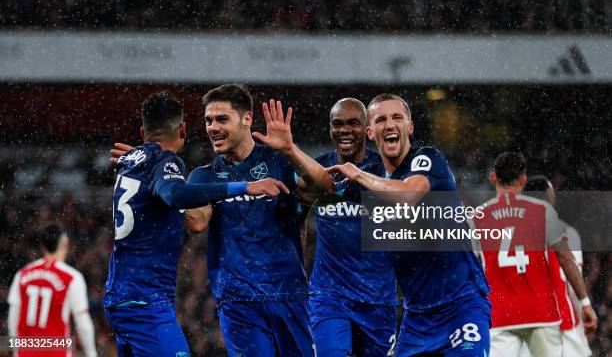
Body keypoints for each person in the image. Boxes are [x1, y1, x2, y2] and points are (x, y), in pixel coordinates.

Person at [256, 94, 491, 356]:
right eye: (381, 119)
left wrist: (358, 174)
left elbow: (407, 195)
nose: (389, 125)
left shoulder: (427, 159)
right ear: (371, 131)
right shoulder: (370, 180)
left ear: (409, 127)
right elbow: (322, 185)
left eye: (397, 118)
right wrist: (290, 150)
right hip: (416, 317)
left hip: (460, 305)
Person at [104, 91, 288, 357]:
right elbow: (174, 194)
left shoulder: (132, 163)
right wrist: (245, 186)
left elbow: (195, 221)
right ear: (182, 129)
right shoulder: (166, 162)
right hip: (146, 299)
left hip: (120, 297)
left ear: (142, 130)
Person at [186, 84, 314, 356]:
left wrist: (291, 150)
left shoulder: (280, 162)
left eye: (222, 119)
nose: (212, 127)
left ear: (246, 119)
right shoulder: (204, 176)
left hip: (288, 293)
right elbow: (196, 221)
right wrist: (165, 185)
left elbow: (321, 188)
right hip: (238, 300)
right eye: (208, 120)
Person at [474, 153, 597, 356]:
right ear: (523, 180)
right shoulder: (543, 211)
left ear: (493, 177)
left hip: (500, 313)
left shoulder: (477, 217)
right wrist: (585, 303)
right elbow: (565, 257)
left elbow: (468, 267)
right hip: (542, 311)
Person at [301, 98, 397, 357]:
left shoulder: (386, 172)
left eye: (353, 124)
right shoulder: (319, 170)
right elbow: (297, 216)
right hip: (329, 296)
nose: (344, 130)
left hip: (377, 298)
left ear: (367, 130)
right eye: (338, 124)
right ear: (331, 129)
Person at [517, 175, 593, 357]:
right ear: (549, 197)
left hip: (524, 319)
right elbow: (572, 281)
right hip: (561, 319)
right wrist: (585, 309)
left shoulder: (510, 231)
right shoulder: (566, 232)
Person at [8, 224, 97, 357]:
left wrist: (16, 351)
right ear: (65, 243)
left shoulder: (22, 274)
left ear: (42, 246)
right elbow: (82, 323)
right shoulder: (72, 278)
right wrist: (91, 353)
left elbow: (13, 317)